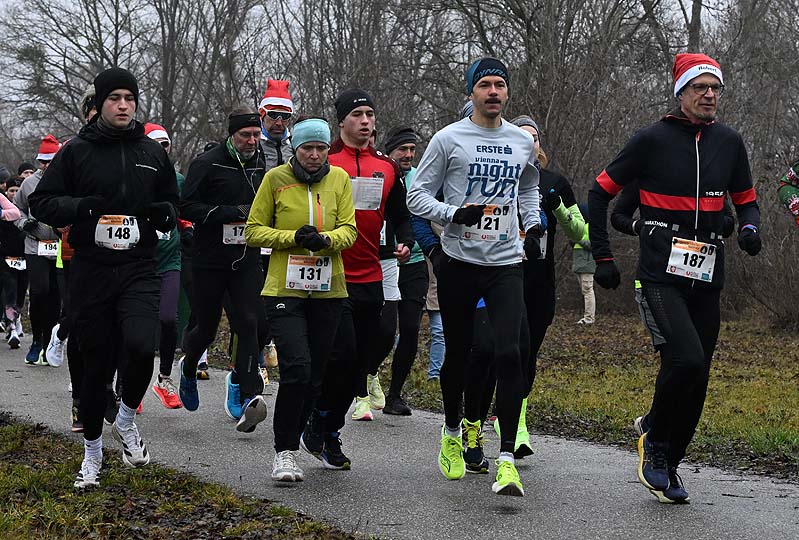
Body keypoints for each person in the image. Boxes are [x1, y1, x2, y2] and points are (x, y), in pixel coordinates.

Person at [588, 53, 761, 503]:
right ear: (681, 93)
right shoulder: (651, 140)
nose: (709, 95)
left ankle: (671, 457)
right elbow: (598, 193)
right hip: (660, 276)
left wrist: (748, 228)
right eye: (700, 87)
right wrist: (603, 255)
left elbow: (746, 201)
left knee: (697, 373)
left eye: (715, 88)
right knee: (685, 359)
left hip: (707, 275)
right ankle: (655, 447)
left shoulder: (729, 142)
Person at [30, 66, 179, 489]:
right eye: (114, 98)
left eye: (129, 99)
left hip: (138, 267)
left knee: (139, 344)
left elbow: (171, 200)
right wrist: (80, 208)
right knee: (94, 366)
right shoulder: (76, 151)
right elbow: (42, 202)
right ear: (99, 105)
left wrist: (165, 213)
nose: (123, 105)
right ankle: (92, 455)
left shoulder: (152, 152)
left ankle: (127, 419)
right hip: (92, 270)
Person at [406, 57, 542, 496]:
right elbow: (415, 195)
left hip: (505, 263)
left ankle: (505, 461)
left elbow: (527, 186)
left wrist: (533, 223)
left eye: (500, 84)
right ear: (472, 93)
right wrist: (451, 213)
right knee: (461, 355)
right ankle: (450, 430)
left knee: (510, 353)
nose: (493, 91)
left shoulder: (520, 142)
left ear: (507, 93)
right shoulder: (449, 139)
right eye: (484, 84)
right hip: (460, 263)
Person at [301, 89, 413, 469]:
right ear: (342, 122)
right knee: (343, 354)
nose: (366, 121)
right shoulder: (325, 160)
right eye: (357, 115)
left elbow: (400, 215)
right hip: (331, 275)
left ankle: (326, 423)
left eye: (370, 114)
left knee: (364, 360)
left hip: (373, 273)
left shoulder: (387, 166)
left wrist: (406, 241)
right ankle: (325, 428)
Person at [246, 117, 357, 482]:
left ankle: (301, 433)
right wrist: (294, 236)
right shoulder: (275, 179)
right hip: (283, 289)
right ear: (295, 149)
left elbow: (349, 230)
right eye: (307, 148)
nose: (314, 155)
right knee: (296, 367)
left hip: (328, 289)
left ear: (328, 150)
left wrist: (325, 241)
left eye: (321, 149)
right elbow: (253, 230)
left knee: (314, 375)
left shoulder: (339, 179)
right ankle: (284, 451)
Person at [178, 105, 268, 433]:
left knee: (249, 323)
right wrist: (227, 212)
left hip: (246, 256)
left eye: (256, 135)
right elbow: (186, 206)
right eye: (246, 135)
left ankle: (250, 396)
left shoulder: (261, 163)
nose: (252, 141)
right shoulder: (207, 163)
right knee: (206, 327)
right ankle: (188, 367)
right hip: (209, 258)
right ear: (232, 134)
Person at [368, 126, 429, 416]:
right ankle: (368, 373)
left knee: (411, 329)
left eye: (412, 150)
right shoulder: (381, 173)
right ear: (390, 151)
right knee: (381, 330)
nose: (407, 155)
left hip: (414, 263)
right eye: (402, 150)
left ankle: (395, 395)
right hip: (383, 262)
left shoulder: (422, 178)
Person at [145, 123, 185, 410]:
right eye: (154, 143)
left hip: (170, 258)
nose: (161, 149)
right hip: (139, 261)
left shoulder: (178, 179)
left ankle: (164, 379)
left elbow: (185, 211)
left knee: (169, 318)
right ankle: (124, 383)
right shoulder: (134, 178)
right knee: (136, 329)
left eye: (165, 144)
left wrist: (188, 226)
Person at [14, 134, 62, 366]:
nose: (45, 166)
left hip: (61, 247)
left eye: (50, 161)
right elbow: (16, 210)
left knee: (56, 296)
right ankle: (37, 341)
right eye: (42, 161)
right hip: (35, 246)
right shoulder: (29, 183)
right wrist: (24, 224)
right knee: (40, 292)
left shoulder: (68, 180)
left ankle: (51, 342)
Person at [572, 204, 595, 325]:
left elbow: (593, 245)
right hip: (579, 263)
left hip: (587, 263)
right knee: (584, 291)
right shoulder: (580, 227)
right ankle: (587, 316)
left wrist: (577, 239)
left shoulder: (591, 227)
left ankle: (589, 318)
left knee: (587, 290)